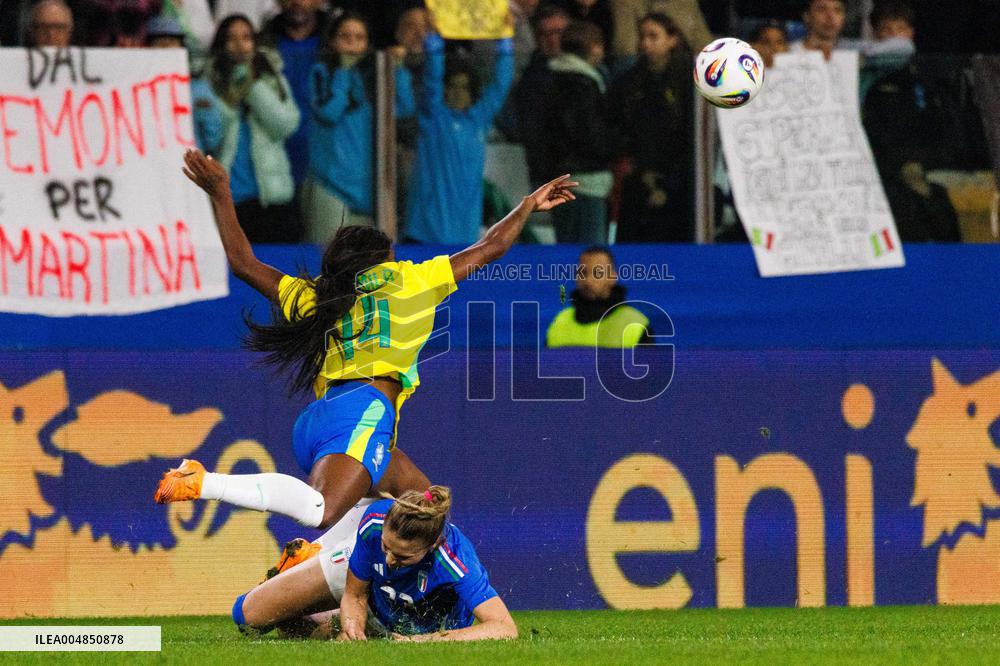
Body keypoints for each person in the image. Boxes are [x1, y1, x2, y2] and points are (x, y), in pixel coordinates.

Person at [154, 148, 576, 536]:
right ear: (384, 258)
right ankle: (204, 481)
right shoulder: (412, 281)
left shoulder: (319, 296)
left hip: (323, 419)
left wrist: (221, 193)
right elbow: (489, 247)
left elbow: (244, 263)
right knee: (321, 511)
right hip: (362, 412)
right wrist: (527, 205)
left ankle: (320, 578)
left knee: (425, 508)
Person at [230, 486, 518, 642]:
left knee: (304, 631)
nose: (391, 560)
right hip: (365, 578)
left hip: (407, 619)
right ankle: (309, 560)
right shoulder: (374, 524)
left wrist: (426, 641)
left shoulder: (455, 560)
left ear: (432, 546)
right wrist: (351, 629)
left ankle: (342, 620)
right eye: (387, 548)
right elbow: (355, 593)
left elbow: (505, 628)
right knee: (247, 618)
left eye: (403, 557)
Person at [303, 12, 415, 243]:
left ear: (367, 44)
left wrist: (399, 69)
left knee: (364, 268)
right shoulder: (321, 73)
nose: (352, 43)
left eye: (359, 37)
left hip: (369, 190)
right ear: (332, 42)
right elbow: (329, 113)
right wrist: (343, 72)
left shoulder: (374, 77)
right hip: (331, 187)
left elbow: (404, 108)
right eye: (345, 37)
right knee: (328, 264)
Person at [403, 31, 515, 244]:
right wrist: (435, 48)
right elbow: (432, 82)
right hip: (424, 231)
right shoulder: (434, 118)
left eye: (464, 87)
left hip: (464, 233)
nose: (457, 92)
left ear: (473, 92)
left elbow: (501, 85)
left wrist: (505, 42)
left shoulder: (478, 120)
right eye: (451, 86)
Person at [205, 15, 300, 242]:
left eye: (247, 38)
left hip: (272, 195)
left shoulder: (271, 77)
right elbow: (209, 139)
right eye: (231, 38)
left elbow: (286, 124)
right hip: (229, 197)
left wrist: (253, 88)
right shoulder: (209, 81)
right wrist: (228, 100)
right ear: (221, 43)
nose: (240, 45)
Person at [609, 12, 694, 242]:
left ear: (672, 39)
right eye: (643, 36)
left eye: (653, 36)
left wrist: (668, 184)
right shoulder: (627, 83)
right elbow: (616, 128)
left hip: (681, 185)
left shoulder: (690, 83)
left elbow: (691, 139)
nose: (645, 43)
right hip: (638, 182)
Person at [540, 20, 613, 244]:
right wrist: (615, 146)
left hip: (560, 180)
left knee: (567, 253)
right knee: (590, 257)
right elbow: (591, 136)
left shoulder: (550, 79)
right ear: (593, 47)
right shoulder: (583, 85)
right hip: (587, 182)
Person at [259, 0, 334, 187]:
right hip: (273, 161)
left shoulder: (336, 42)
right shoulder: (261, 44)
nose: (298, 2)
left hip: (327, 162)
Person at [144, 15, 223, 155]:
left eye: (171, 42)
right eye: (160, 43)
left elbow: (214, 140)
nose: (166, 48)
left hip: (187, 168)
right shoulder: (137, 90)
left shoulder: (198, 89)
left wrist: (205, 114)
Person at [546, 246, 651, 348]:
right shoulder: (560, 321)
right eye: (582, 273)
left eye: (598, 273)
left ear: (613, 277)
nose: (588, 281)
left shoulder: (634, 324)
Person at [611, 0, 713, 58]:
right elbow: (626, 51)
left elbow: (703, 42)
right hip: (644, 71)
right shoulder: (626, 3)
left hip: (683, 68)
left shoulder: (685, 3)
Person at [789, 0, 860, 59]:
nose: (830, 17)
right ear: (807, 16)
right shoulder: (788, 52)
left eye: (837, 10)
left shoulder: (860, 51)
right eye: (822, 9)